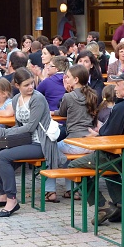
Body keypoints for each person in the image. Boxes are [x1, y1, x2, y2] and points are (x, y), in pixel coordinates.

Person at [68, 71, 124, 224]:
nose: (114, 88)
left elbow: (108, 136)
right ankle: (123, 205)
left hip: (122, 158)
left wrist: (96, 133)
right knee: (109, 167)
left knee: (72, 166)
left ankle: (102, 206)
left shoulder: (122, 107)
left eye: (117, 85)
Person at [0, 68, 66, 217]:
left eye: (32, 83)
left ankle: (12, 200)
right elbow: (18, 126)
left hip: (41, 143)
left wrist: (3, 132)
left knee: (2, 157)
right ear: (17, 85)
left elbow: (30, 126)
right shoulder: (16, 100)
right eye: (26, 85)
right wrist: (2, 134)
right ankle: (3, 194)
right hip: (25, 140)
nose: (31, 87)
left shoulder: (38, 98)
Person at [44, 64, 98, 202]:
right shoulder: (93, 95)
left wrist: (53, 112)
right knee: (66, 156)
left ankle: (50, 191)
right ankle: (72, 190)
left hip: (74, 142)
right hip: (90, 142)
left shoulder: (69, 97)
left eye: (68, 77)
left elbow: (62, 112)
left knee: (50, 148)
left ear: (76, 80)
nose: (65, 79)